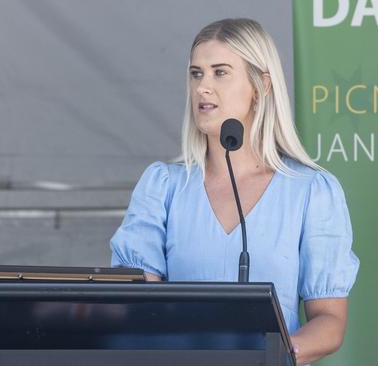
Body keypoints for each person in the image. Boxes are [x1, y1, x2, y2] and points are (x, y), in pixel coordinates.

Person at [110, 18, 359, 365]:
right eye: (196, 73)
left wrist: (275, 357)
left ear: (261, 85)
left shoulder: (311, 192)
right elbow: (135, 309)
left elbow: (329, 321)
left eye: (220, 72)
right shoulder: (162, 187)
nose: (202, 87)